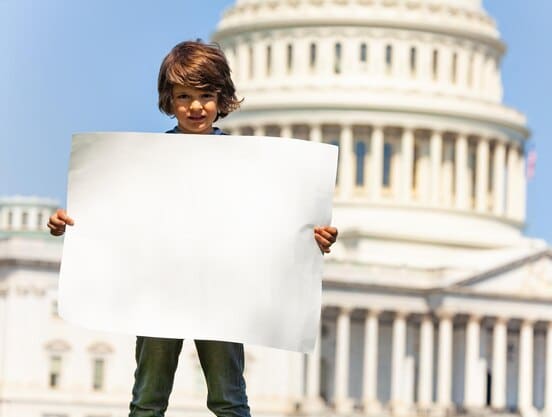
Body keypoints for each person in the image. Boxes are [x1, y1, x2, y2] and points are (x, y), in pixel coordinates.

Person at [47, 40, 339, 417]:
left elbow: (271, 222)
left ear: (222, 98)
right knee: (148, 400)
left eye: (205, 95)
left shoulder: (251, 164)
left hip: (221, 292)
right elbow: (117, 213)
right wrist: (68, 224)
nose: (196, 106)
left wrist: (313, 238)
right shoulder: (141, 160)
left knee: (228, 398)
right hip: (159, 289)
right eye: (184, 96)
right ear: (169, 100)